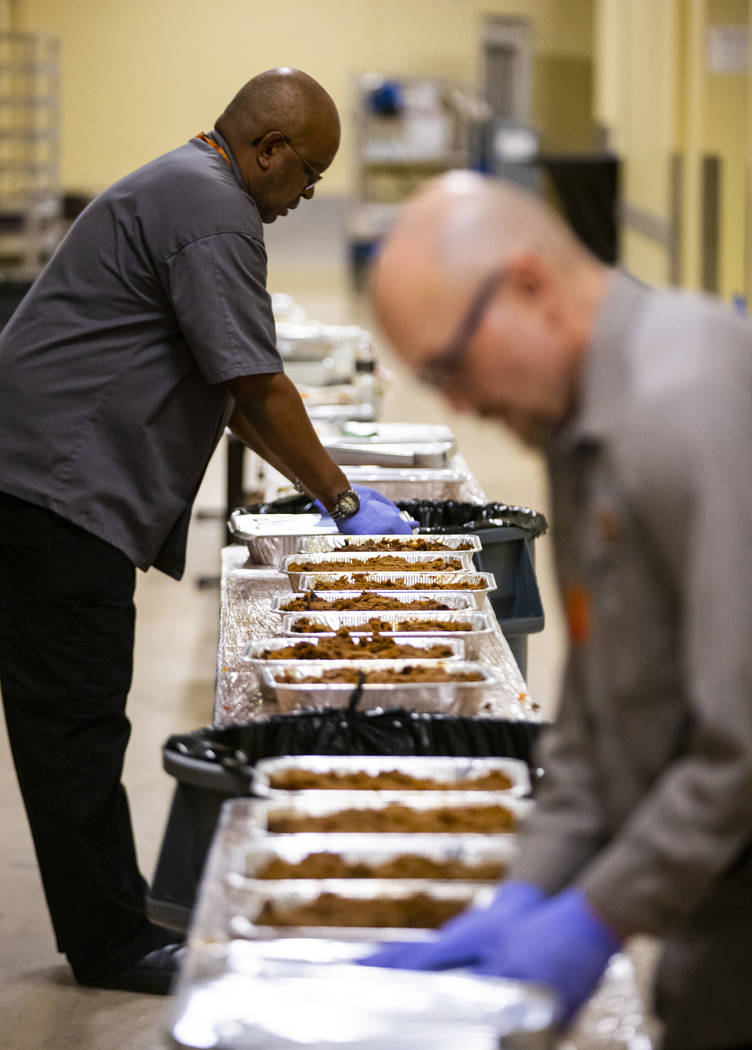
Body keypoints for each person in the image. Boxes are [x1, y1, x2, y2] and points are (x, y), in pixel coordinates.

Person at [0, 67, 409, 996]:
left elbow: (236, 395)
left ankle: (114, 916)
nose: (307, 196)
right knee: (76, 720)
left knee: (78, 714)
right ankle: (111, 943)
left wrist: (328, 489)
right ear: (265, 151)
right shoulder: (211, 208)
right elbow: (257, 387)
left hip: (43, 478)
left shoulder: (188, 187)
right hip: (54, 491)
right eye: (305, 175)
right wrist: (344, 504)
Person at [362, 170, 752, 1050]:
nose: (458, 405)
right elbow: (600, 710)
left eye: (452, 368)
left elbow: (743, 738)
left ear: (531, 287)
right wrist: (527, 892)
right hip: (713, 896)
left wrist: (598, 917)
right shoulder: (581, 422)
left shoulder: (679, 409)